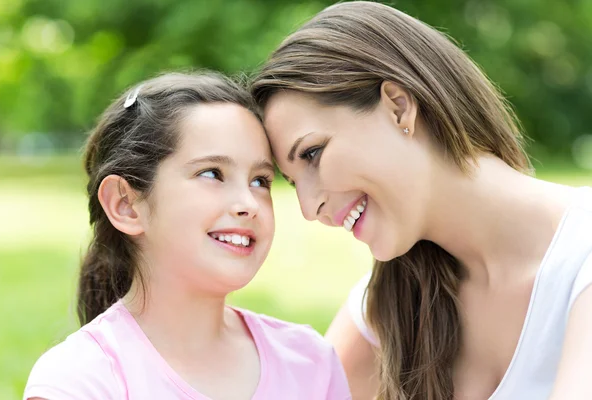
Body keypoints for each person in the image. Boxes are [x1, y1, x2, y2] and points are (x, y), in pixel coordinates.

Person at [250, 2, 592, 399]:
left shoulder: (581, 257)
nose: (311, 209)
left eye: (312, 154)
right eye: (293, 183)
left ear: (399, 107)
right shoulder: (391, 303)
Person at [23, 72, 351, 400]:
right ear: (126, 205)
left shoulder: (310, 363)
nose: (248, 204)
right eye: (212, 173)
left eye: (260, 180)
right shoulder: (79, 381)